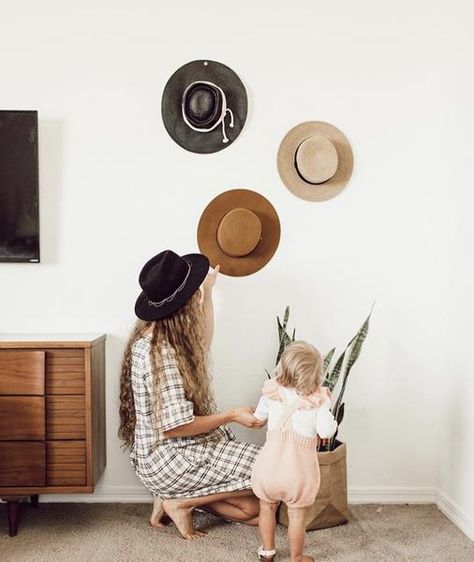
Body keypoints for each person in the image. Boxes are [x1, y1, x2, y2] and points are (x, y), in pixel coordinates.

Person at [119, 250, 265, 539]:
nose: (196, 298)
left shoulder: (158, 335)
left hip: (169, 455)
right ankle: (181, 502)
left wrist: (208, 293)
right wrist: (231, 416)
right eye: (194, 294)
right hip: (172, 457)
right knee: (273, 469)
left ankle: (170, 498)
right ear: (183, 305)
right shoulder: (159, 354)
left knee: (253, 510)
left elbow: (202, 342)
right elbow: (176, 427)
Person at [251, 341, 338, 562]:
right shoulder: (317, 401)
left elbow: (259, 418)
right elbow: (326, 431)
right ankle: (296, 557)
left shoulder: (272, 393)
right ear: (316, 375)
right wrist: (329, 416)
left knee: (267, 508)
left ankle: (267, 551)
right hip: (298, 475)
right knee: (297, 515)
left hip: (268, 469)